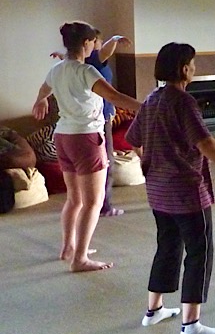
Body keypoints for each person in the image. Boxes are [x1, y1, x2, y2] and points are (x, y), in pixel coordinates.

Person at [126, 43, 215, 334]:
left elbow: (133, 138)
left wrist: (148, 158)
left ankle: (153, 310)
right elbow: (205, 143)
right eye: (192, 64)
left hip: (158, 190)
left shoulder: (152, 100)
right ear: (183, 69)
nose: (195, 68)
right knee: (199, 251)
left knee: (167, 246)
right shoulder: (183, 102)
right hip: (186, 191)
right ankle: (191, 324)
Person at [31, 21, 140, 272]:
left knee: (75, 199)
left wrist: (40, 101)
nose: (94, 45)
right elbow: (113, 96)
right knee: (93, 201)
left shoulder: (57, 69)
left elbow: (44, 88)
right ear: (85, 44)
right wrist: (147, 107)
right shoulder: (87, 71)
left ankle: (69, 247)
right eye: (93, 42)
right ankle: (80, 258)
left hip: (63, 137)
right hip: (86, 139)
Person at [50, 32, 132, 215]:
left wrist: (61, 56)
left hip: (70, 129)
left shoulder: (76, 65)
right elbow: (114, 96)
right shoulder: (94, 60)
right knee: (105, 162)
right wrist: (117, 38)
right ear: (90, 42)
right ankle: (104, 206)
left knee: (81, 175)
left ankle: (89, 205)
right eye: (98, 41)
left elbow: (69, 62)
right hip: (96, 122)